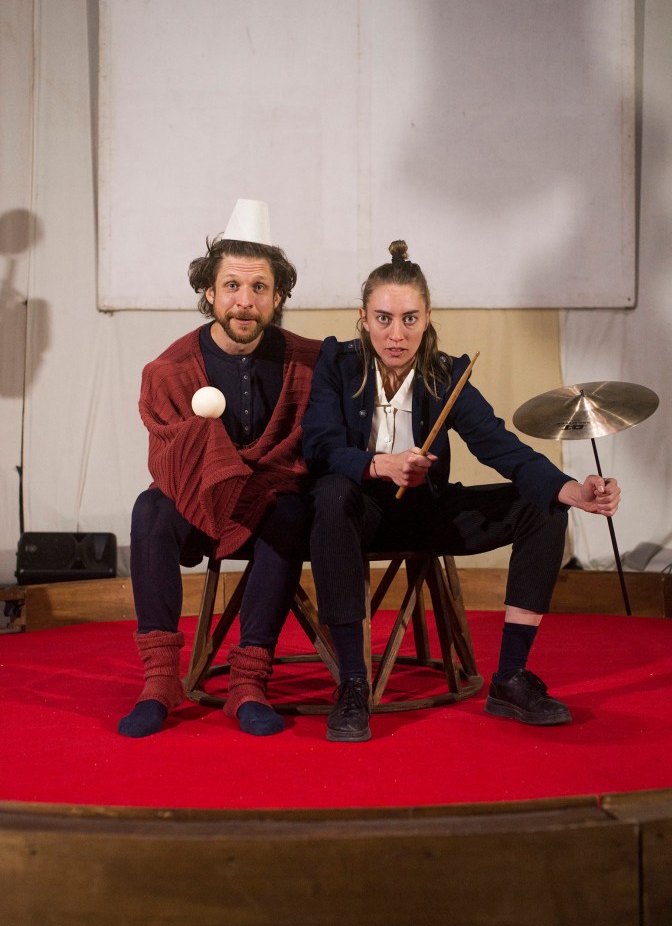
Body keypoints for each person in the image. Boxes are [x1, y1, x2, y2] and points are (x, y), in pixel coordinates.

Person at [301, 239, 620, 743]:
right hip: (355, 515)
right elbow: (320, 448)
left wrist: (570, 490)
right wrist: (380, 465)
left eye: (410, 319)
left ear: (427, 317)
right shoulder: (336, 364)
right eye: (383, 319)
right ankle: (353, 685)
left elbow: (500, 446)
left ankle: (510, 677)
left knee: (543, 505)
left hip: (428, 515)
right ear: (363, 319)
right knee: (331, 493)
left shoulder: (446, 373)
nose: (397, 334)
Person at [118, 199, 320, 739]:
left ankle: (248, 683)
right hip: (199, 503)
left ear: (278, 296)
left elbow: (317, 443)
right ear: (208, 291)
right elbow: (171, 461)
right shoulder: (169, 371)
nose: (244, 301)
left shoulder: (309, 363)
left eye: (259, 288)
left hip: (270, 507)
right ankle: (161, 680)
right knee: (150, 509)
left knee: (290, 510)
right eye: (232, 285)